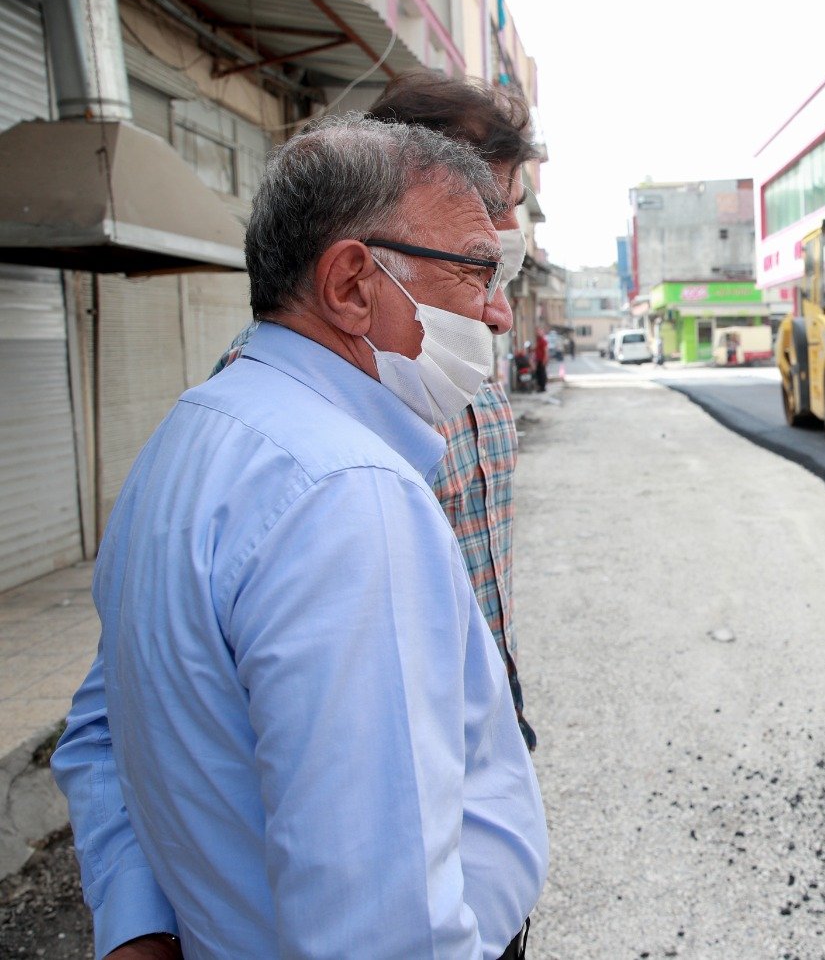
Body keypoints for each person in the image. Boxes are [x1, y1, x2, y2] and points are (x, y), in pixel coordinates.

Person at [52, 115, 548, 959]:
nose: (500, 315)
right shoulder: (351, 498)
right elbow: (383, 929)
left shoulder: (192, 432)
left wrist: (136, 923)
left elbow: (104, 726)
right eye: (478, 272)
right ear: (353, 284)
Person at [209, 71, 538, 753]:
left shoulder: (458, 347)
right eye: (482, 206)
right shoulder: (276, 411)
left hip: (479, 722)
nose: (506, 230)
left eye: (511, 204)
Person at [532, 329, 549, 393]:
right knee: (538, 373)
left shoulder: (543, 341)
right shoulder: (538, 341)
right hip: (538, 360)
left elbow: (546, 351)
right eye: (537, 332)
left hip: (542, 360)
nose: (537, 334)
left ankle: (543, 387)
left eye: (539, 332)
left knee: (542, 374)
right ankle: (540, 386)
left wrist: (544, 360)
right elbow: (536, 349)